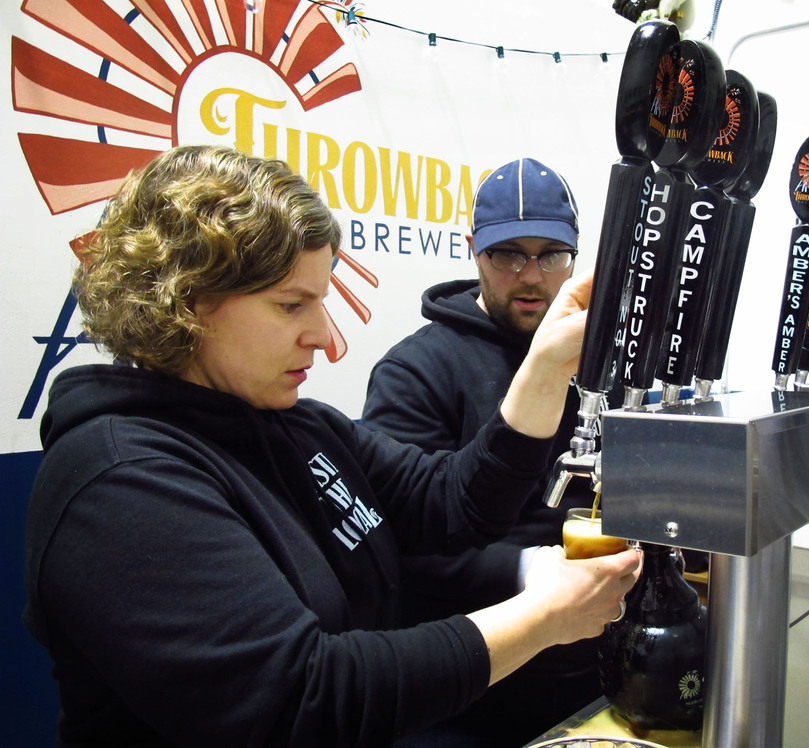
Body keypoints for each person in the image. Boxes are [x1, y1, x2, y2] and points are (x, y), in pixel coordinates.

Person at [22, 145, 641, 748]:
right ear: (185, 302)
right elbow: (299, 701)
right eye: (293, 306)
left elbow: (455, 503)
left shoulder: (300, 428)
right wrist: (540, 617)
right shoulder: (121, 479)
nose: (326, 337)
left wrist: (544, 367)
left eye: (321, 301)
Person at [363, 157, 612, 747]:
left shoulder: (602, 361)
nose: (531, 276)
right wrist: (533, 570)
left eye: (551, 254)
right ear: (474, 249)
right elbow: (402, 542)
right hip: (470, 689)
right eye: (508, 255)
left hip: (591, 663)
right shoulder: (414, 372)